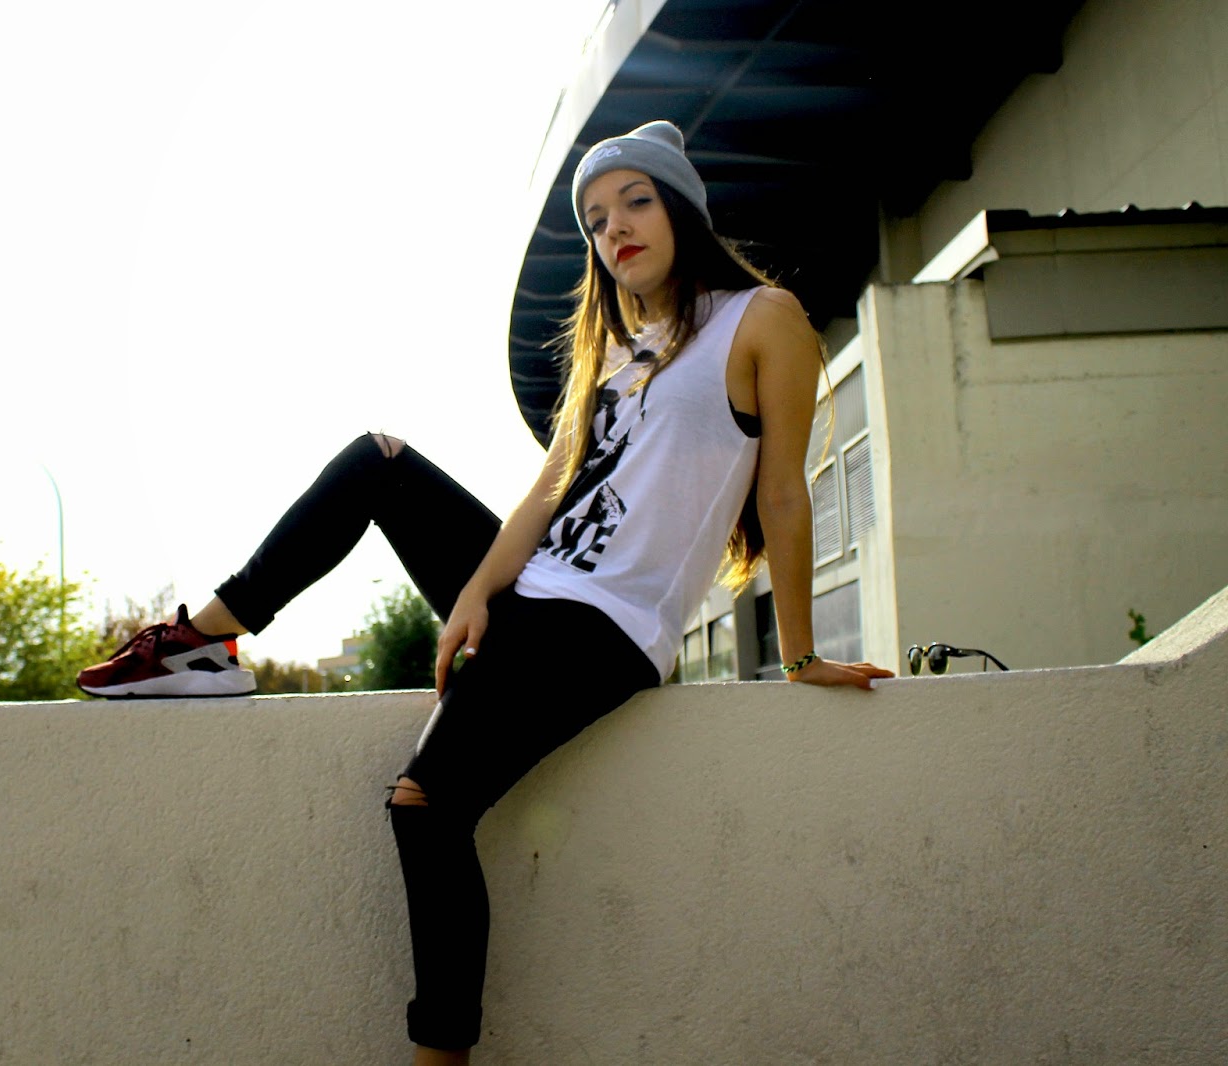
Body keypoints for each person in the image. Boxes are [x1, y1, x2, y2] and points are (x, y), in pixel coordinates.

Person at [75, 120, 894, 1064]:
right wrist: (473, 591)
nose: (615, 229)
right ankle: (201, 642)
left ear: (681, 209)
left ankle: (441, 1057)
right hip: (533, 591)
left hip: (607, 624)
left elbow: (783, 491)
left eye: (635, 202)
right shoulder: (619, 348)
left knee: (424, 805)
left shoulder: (762, 319)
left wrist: (798, 652)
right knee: (379, 460)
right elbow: (548, 491)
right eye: (596, 220)